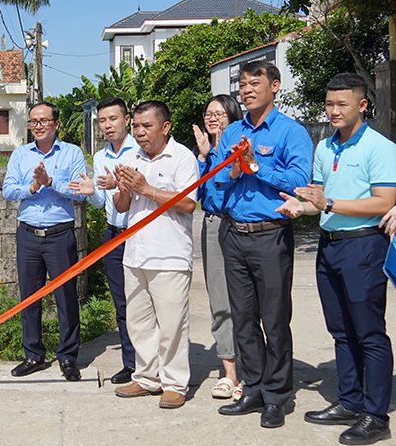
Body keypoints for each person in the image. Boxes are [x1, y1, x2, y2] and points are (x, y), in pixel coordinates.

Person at [277, 73, 396, 445]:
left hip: (364, 246)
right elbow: (318, 198)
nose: (333, 111)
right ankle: (349, 401)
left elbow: (384, 203)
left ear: (362, 105)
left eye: (342, 104)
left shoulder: (380, 147)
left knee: (370, 332)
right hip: (329, 246)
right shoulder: (325, 147)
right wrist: (301, 207)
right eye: (329, 104)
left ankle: (376, 415)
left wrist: (326, 203)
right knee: (341, 331)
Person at [214, 61, 312, 428]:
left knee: (274, 319)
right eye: (242, 83)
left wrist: (256, 167)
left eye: (255, 83)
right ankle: (252, 387)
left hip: (270, 235)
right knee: (242, 319)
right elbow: (219, 175)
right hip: (234, 233)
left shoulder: (291, 132)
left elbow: (300, 181)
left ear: (275, 86)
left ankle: (276, 395)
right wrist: (233, 172)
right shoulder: (233, 131)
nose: (247, 89)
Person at [108, 100, 198, 409]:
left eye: (146, 126)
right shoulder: (132, 156)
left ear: (165, 127)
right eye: (136, 126)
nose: (140, 132)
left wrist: (146, 189)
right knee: (139, 322)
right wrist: (123, 189)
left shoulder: (182, 157)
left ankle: (174, 383)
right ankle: (147, 377)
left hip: (169, 255)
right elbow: (122, 207)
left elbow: (188, 204)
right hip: (135, 253)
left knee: (172, 324)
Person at [2, 101, 86, 382]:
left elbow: (80, 193)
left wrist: (50, 182)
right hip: (28, 235)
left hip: (59, 235)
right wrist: (32, 187)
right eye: (33, 121)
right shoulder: (20, 154)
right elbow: (7, 190)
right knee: (30, 297)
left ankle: (68, 357)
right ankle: (33, 355)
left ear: (56, 124)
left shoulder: (72, 153)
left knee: (66, 298)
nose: (37, 126)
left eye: (43, 121)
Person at [67, 97, 136, 385]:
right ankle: (131, 364)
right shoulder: (100, 156)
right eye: (102, 121)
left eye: (113, 119)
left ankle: (154, 363)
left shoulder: (140, 151)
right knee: (122, 303)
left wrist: (119, 185)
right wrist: (90, 191)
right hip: (112, 235)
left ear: (126, 119)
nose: (108, 125)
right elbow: (100, 203)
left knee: (145, 302)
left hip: (139, 232)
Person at [192, 95, 244, 400]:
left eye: (219, 113)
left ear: (233, 116)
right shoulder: (205, 153)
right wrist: (202, 158)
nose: (213, 118)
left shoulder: (242, 146)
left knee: (248, 301)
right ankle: (229, 373)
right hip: (213, 224)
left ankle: (252, 370)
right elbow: (195, 194)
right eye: (209, 113)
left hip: (241, 224)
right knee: (220, 301)